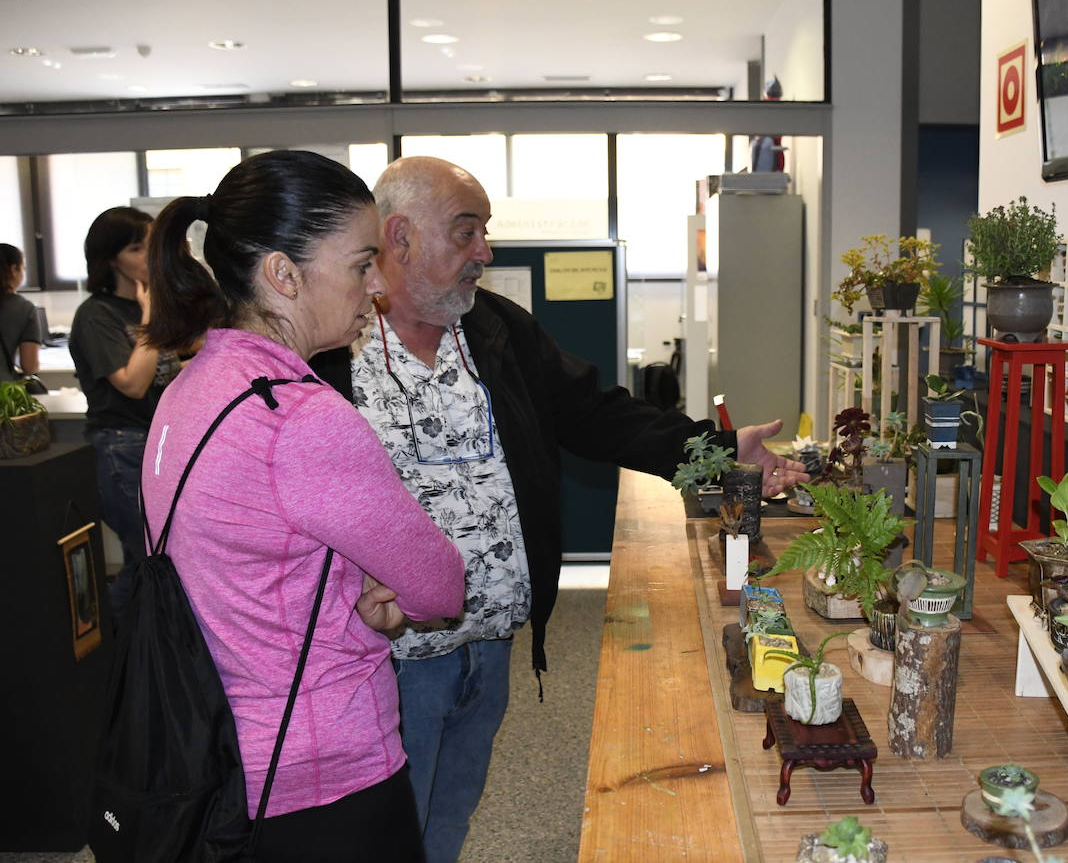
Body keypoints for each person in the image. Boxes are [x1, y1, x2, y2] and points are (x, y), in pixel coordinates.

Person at [312, 155, 809, 863]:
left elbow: (597, 413)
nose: (485, 251)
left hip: (489, 643)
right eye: (467, 231)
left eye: (486, 231)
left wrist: (721, 450)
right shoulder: (332, 353)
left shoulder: (496, 330)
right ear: (399, 237)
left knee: (449, 817)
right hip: (383, 659)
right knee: (384, 836)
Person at [140, 149, 465, 862]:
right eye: (359, 264)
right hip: (324, 770)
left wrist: (349, 590)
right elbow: (440, 585)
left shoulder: (186, 393)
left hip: (221, 754)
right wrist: (377, 598)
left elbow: (243, 572)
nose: (377, 286)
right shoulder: (301, 419)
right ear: (283, 275)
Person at [68, 206, 182, 614]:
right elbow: (132, 383)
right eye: (137, 248)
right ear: (111, 257)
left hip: (155, 446)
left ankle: (126, 652)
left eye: (150, 246)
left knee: (151, 559)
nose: (148, 257)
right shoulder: (96, 315)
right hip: (121, 447)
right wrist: (151, 316)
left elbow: (172, 370)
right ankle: (116, 648)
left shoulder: (145, 305)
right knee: (149, 559)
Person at [0, 243, 40, 382]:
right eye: (23, 268)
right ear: (13, 270)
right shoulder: (24, 308)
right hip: (3, 394)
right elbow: (29, 367)